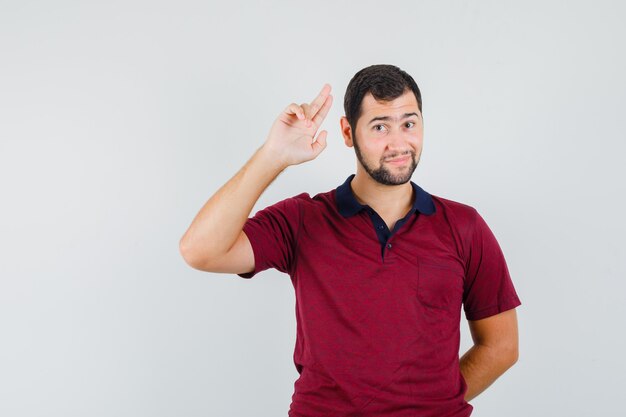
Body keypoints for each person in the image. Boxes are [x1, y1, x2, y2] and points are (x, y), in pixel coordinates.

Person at [179, 64, 521, 417]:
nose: (398, 142)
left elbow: (502, 346)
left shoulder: (464, 226)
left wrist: (434, 404)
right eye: (379, 127)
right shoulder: (303, 220)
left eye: (409, 123)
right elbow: (200, 250)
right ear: (347, 131)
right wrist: (273, 156)